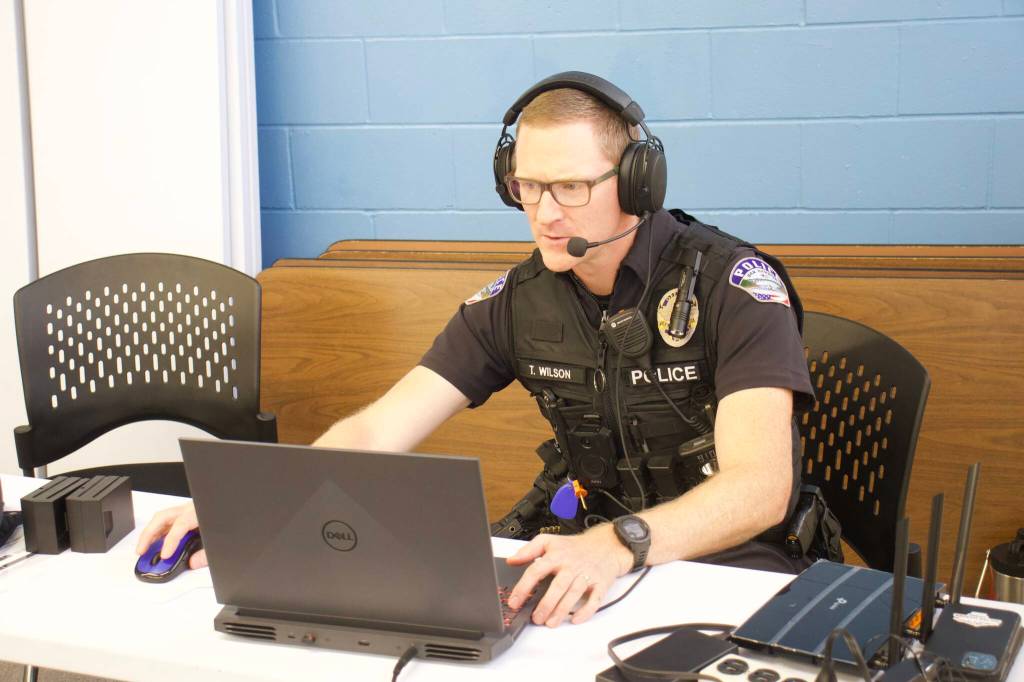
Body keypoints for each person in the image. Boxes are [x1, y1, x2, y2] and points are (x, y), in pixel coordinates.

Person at [136, 72, 817, 630]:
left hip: (724, 566)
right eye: (527, 186)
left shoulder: (734, 285)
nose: (546, 213)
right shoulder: (516, 300)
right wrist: (259, 507)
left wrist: (617, 546)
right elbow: (380, 427)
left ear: (639, 182)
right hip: (579, 555)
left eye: (572, 187)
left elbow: (760, 488)